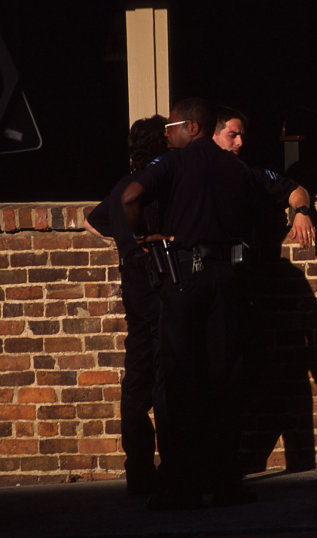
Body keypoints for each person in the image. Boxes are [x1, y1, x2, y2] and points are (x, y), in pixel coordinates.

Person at [121, 98, 316, 509]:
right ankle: (226, 480)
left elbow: (129, 196)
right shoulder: (236, 168)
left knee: (178, 383)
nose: (166, 134)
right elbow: (274, 194)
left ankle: (181, 485)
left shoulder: (173, 163)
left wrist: (142, 237)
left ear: (192, 127)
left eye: (171, 126)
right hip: (227, 280)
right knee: (224, 381)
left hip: (183, 281)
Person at [84, 115, 168, 495]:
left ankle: (138, 468)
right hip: (157, 284)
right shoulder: (154, 187)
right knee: (168, 371)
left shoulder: (121, 187)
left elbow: (93, 220)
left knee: (135, 383)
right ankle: (173, 463)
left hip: (131, 288)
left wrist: (123, 238)